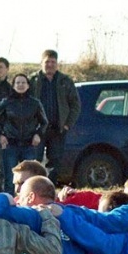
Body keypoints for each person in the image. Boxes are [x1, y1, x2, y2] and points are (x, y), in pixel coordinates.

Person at [29, 50, 81, 180]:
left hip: (58, 130)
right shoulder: (32, 81)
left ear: (57, 64)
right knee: (34, 162)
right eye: (47, 62)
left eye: (53, 62)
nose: (50, 65)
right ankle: (33, 187)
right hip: (37, 130)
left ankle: (49, 188)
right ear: (41, 63)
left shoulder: (65, 81)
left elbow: (75, 105)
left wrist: (67, 125)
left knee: (54, 164)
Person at [0, 73, 48, 194]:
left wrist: (38, 134)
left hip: (29, 145)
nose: (20, 85)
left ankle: (29, 198)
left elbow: (44, 122)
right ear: (13, 85)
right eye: (18, 83)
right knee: (10, 178)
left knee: (30, 178)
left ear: (28, 85)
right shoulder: (6, 102)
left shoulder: (35, 103)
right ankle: (9, 201)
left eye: (23, 82)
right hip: (10, 145)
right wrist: (0, 135)